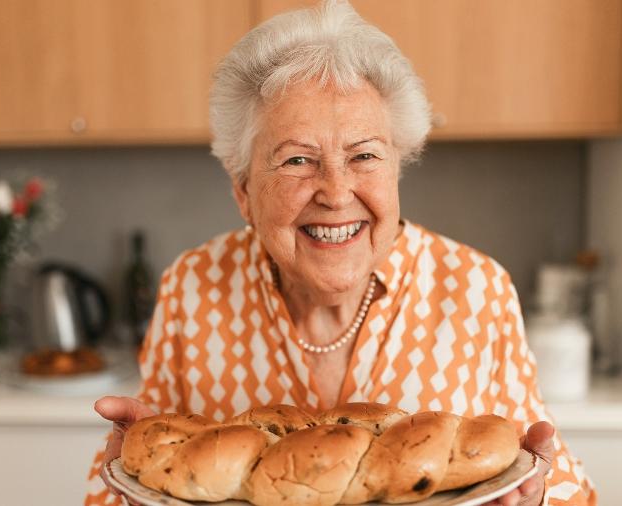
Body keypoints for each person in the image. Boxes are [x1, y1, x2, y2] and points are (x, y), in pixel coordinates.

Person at [85, 1, 595, 505]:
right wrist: (131, 482)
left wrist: (536, 498)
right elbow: (117, 487)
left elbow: (568, 487)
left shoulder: (474, 288)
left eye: (365, 155)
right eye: (297, 159)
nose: (335, 191)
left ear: (398, 167)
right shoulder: (193, 287)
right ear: (242, 190)